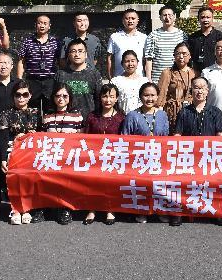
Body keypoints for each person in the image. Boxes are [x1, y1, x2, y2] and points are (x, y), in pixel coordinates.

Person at [172, 76, 222, 227]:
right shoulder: (184, 112)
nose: (199, 91)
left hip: (209, 155)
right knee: (184, 184)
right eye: (196, 87)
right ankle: (179, 212)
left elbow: (220, 135)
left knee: (212, 185)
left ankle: (216, 212)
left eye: (203, 87)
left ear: (207, 91)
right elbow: (177, 135)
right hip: (188, 155)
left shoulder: (215, 112)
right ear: (191, 90)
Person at [121, 82, 170, 224]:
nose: (149, 99)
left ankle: (160, 211)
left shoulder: (162, 115)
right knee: (142, 187)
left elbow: (166, 137)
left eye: (153, 95)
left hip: (158, 157)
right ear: (140, 97)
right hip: (139, 158)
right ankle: (142, 211)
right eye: (146, 95)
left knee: (159, 186)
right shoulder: (132, 115)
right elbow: (125, 138)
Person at [0, 82, 42, 225]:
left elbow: (42, 136)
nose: (21, 98)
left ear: (30, 96)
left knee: (29, 173)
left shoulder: (37, 113)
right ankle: (16, 208)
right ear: (13, 96)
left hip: (32, 151)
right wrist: (3, 159)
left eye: (25, 95)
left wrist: (33, 135)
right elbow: (4, 139)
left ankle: (27, 208)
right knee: (15, 173)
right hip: (13, 150)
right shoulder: (6, 114)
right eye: (18, 95)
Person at [41, 83, 84, 224]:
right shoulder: (47, 117)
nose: (61, 99)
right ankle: (46, 207)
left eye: (65, 96)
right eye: (58, 95)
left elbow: (81, 139)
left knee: (67, 178)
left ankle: (66, 208)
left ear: (70, 97)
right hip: (51, 157)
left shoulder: (77, 116)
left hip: (70, 158)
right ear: (53, 97)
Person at [83, 84, 125, 225]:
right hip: (94, 156)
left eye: (111, 96)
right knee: (93, 183)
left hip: (113, 157)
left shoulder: (121, 117)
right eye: (105, 96)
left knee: (110, 183)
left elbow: (125, 139)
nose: (108, 100)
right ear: (100, 98)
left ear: (116, 98)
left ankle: (110, 209)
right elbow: (85, 137)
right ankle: (92, 209)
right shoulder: (92, 116)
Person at [16, 14, 60, 112]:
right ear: (35, 25)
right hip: (32, 80)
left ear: (49, 26)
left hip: (50, 80)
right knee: (32, 108)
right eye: (39, 23)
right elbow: (21, 62)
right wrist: (19, 80)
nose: (42, 25)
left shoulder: (55, 42)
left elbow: (60, 61)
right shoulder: (28, 41)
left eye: (45, 23)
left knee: (51, 107)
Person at [54, 38, 102, 119]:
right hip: (65, 121)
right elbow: (54, 99)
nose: (77, 54)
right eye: (73, 51)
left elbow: (99, 100)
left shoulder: (94, 74)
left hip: (89, 120)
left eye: (80, 51)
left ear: (86, 54)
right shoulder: (61, 74)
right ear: (68, 55)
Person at [157, 42, 198, 133]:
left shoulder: (195, 73)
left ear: (190, 56)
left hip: (190, 113)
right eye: (178, 54)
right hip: (172, 113)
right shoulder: (167, 73)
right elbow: (161, 96)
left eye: (184, 54)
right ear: (174, 56)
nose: (181, 57)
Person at [144, 5, 188, 82]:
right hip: (157, 79)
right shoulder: (153, 35)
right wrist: (149, 79)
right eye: (164, 15)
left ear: (174, 17)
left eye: (170, 15)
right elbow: (149, 59)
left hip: (177, 79)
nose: (167, 17)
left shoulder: (182, 35)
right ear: (160, 18)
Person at [106, 8, 147, 78]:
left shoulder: (144, 37)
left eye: (133, 18)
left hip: (139, 79)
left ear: (138, 20)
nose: (130, 21)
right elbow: (109, 59)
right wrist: (110, 77)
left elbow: (147, 60)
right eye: (127, 18)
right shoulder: (114, 37)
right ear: (123, 20)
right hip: (119, 78)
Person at [188, 7, 222, 72]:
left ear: (212, 19)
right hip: (197, 73)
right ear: (198, 19)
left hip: (216, 72)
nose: (205, 20)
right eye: (202, 17)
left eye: (208, 17)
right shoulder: (193, 37)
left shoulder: (220, 37)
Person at [112, 50, 147, 114]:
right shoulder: (115, 81)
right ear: (122, 64)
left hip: (141, 118)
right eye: (127, 61)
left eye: (133, 61)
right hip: (122, 119)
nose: (130, 64)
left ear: (137, 62)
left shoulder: (144, 81)